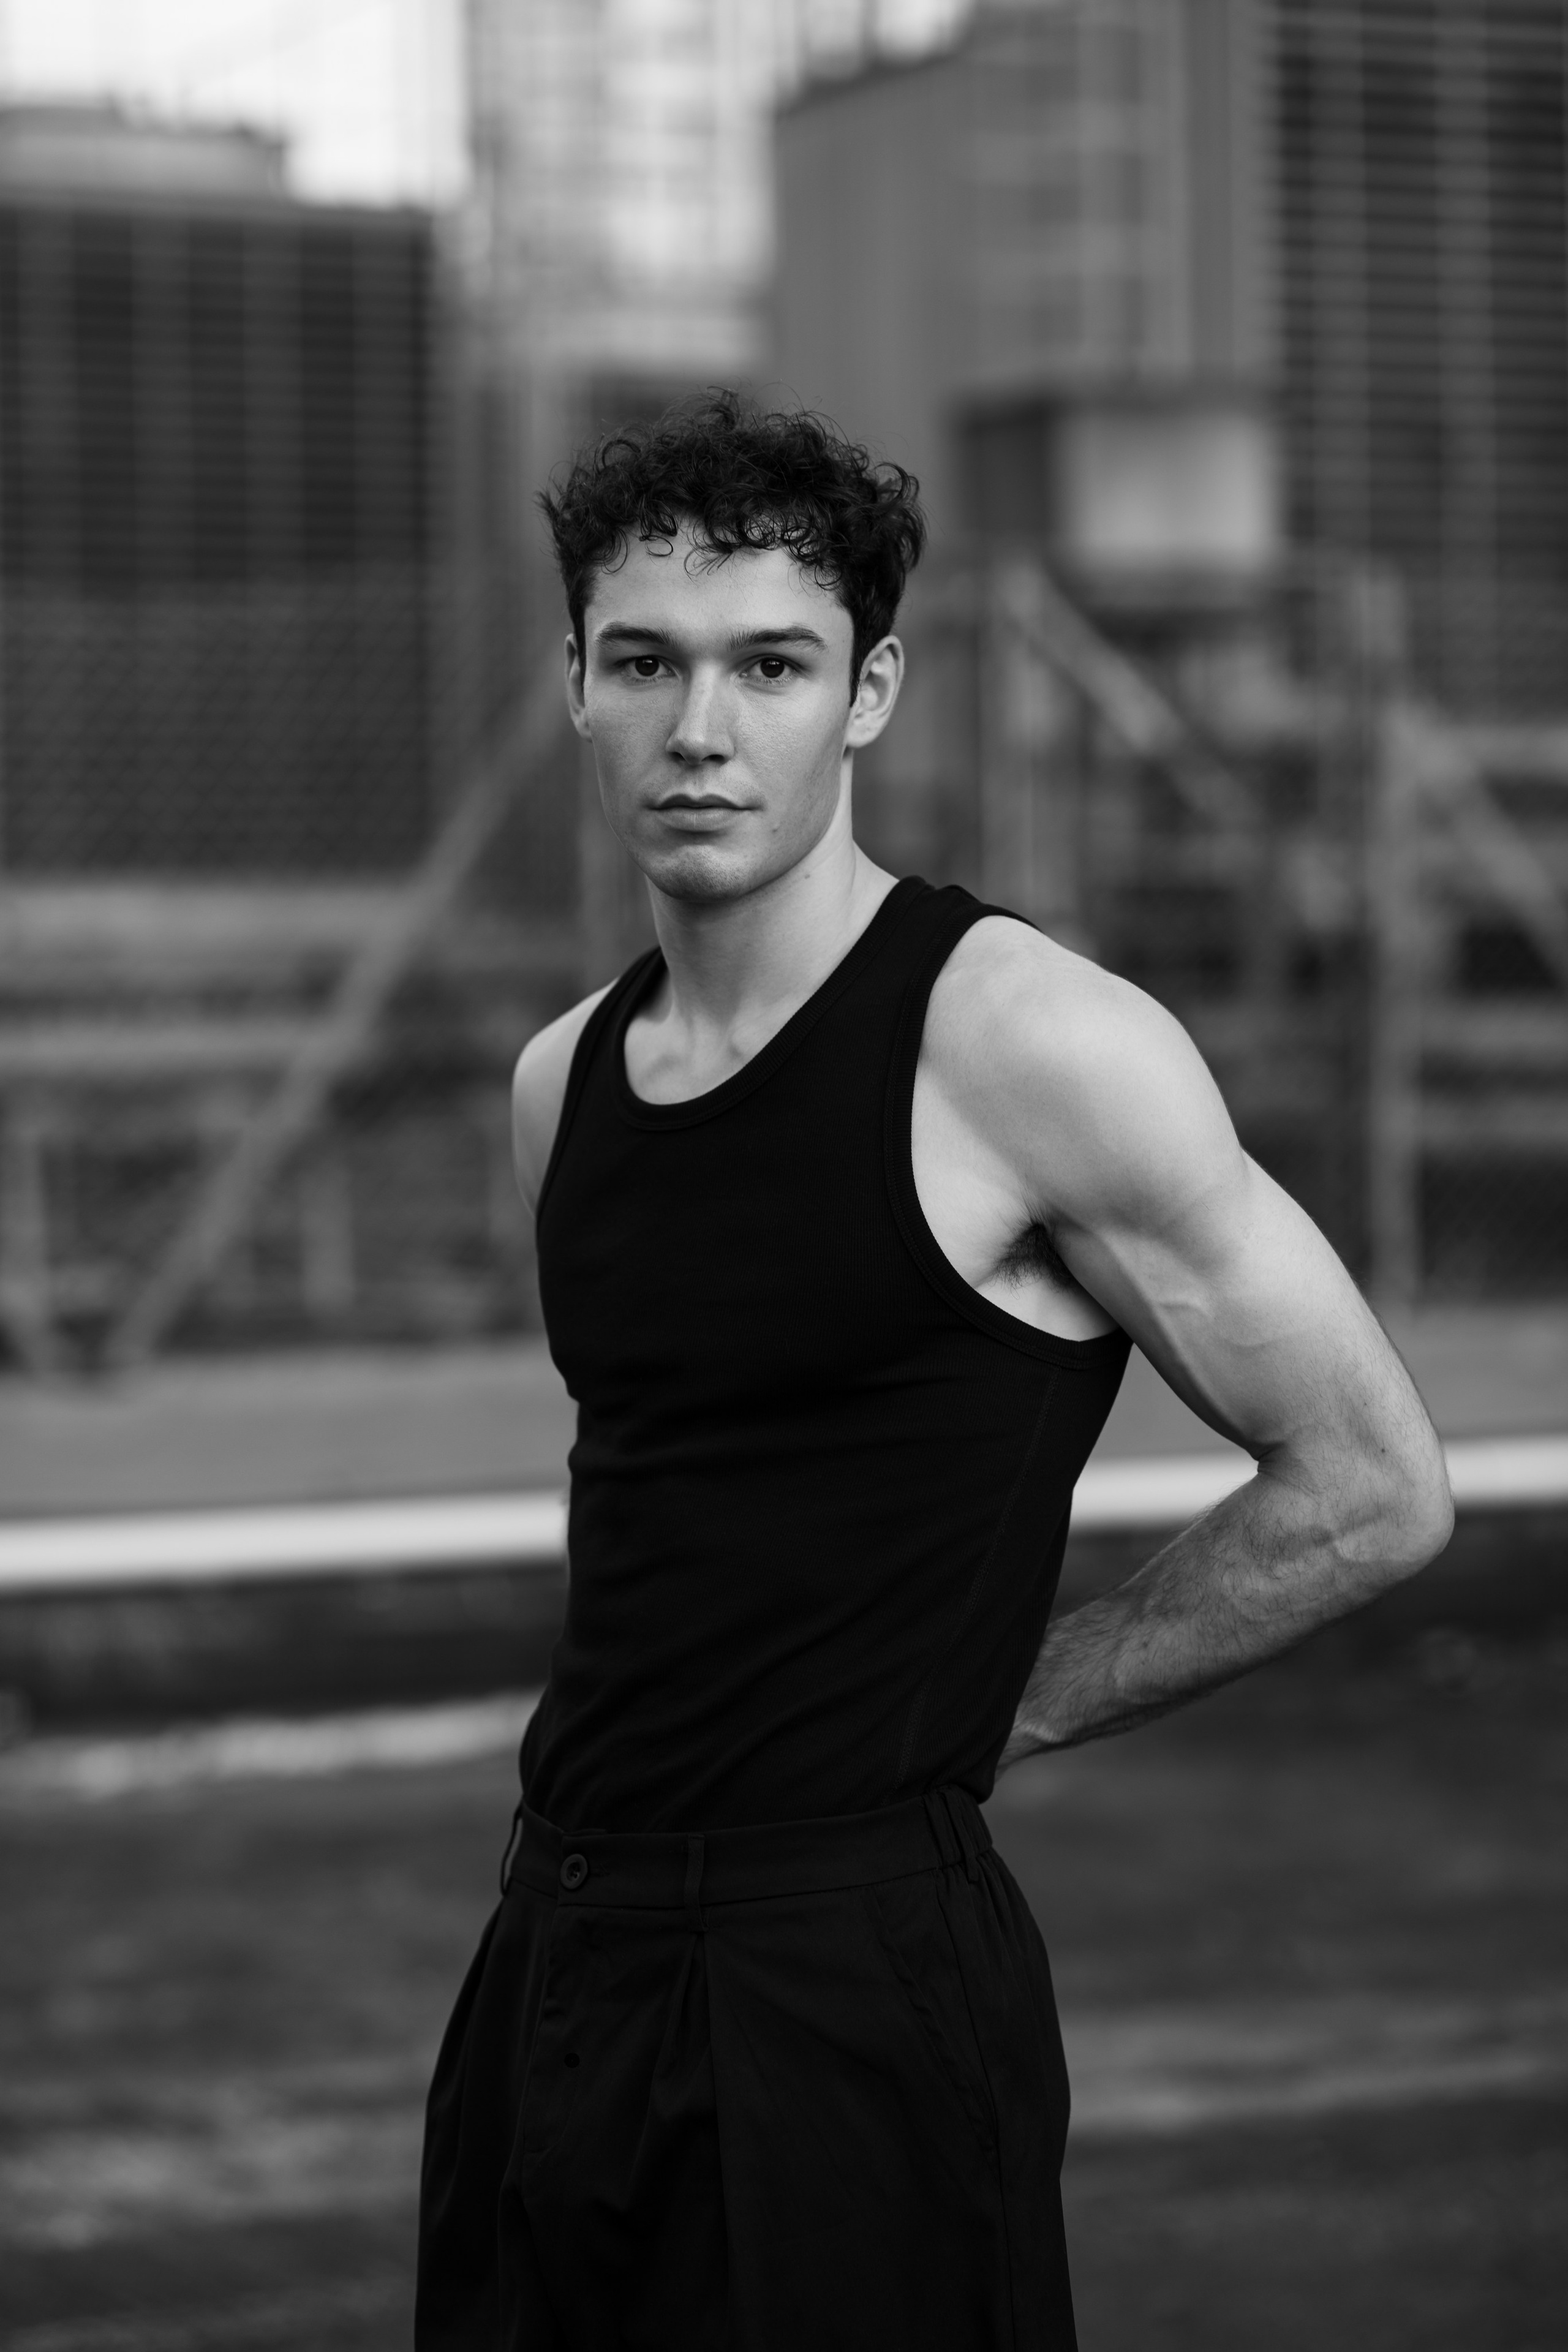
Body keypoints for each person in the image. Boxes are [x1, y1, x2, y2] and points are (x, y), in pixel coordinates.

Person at [415, 393, 1452, 2351]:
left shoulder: (1026, 1045)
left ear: (871, 690)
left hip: (847, 1985)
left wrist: (1018, 1708)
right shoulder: (566, 1082)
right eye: (643, 662)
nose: (699, 728)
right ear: (573, 681)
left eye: (771, 667)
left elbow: (1374, 1485)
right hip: (551, 1957)